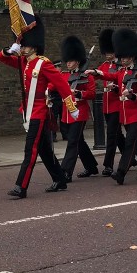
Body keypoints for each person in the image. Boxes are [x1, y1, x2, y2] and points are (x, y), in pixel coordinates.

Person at [0, 15, 79, 199]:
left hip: (39, 111)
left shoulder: (43, 63)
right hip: (28, 110)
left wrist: (71, 106)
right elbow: (1, 58)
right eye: (22, 45)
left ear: (33, 45)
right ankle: (60, 179)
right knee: (43, 150)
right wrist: (9, 50)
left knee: (30, 149)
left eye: (25, 45)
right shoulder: (24, 62)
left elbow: (62, 85)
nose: (23, 47)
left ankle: (21, 186)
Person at [92, 28, 137, 185]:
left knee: (130, 143)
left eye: (125, 57)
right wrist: (97, 73)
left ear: (132, 56)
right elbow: (112, 76)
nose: (122, 60)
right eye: (121, 57)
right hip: (125, 114)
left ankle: (121, 172)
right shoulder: (122, 72)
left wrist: (132, 96)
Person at [52, 35, 99, 185]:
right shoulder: (64, 75)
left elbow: (91, 93)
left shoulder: (86, 76)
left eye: (70, 61)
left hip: (80, 113)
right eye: (67, 61)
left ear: (77, 61)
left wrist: (79, 93)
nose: (68, 63)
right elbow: (54, 86)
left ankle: (65, 172)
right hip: (67, 114)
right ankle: (91, 166)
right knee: (79, 141)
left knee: (72, 141)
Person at [96, 29, 122, 177]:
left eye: (110, 52)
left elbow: (111, 76)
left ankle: (108, 165)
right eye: (106, 52)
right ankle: (131, 158)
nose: (108, 55)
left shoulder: (118, 67)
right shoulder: (104, 65)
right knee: (118, 136)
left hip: (117, 105)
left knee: (111, 135)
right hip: (107, 105)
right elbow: (95, 76)